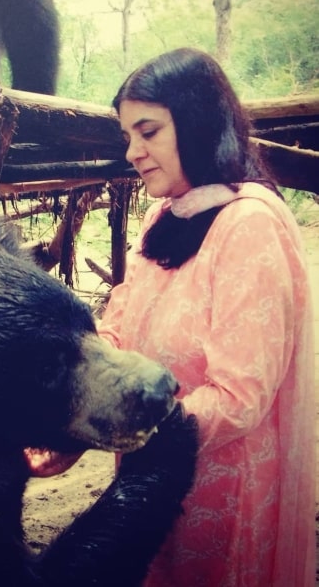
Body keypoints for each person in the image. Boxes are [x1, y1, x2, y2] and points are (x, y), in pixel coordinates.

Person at [98, 48, 316, 587]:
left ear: (196, 122)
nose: (133, 151)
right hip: (153, 476)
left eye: (148, 131)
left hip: (220, 488)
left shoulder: (248, 226)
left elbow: (241, 396)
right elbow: (119, 321)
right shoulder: (162, 217)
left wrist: (131, 425)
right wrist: (79, 380)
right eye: (128, 136)